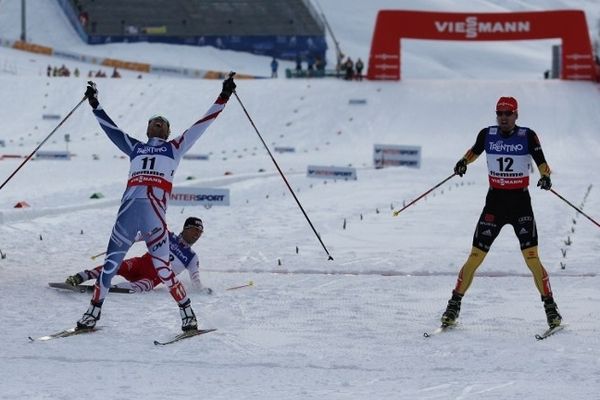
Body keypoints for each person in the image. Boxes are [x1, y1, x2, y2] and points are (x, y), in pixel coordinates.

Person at [76, 74, 236, 332]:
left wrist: (224, 97)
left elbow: (202, 124)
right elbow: (111, 129)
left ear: (168, 131)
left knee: (165, 271)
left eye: (162, 123)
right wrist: (95, 103)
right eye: (154, 122)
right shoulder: (135, 147)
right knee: (110, 266)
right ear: (147, 129)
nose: (158, 124)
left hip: (154, 220)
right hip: (126, 216)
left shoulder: (175, 148)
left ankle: (188, 315)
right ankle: (93, 313)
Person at [440, 96, 562, 329]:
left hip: (520, 204)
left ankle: (551, 309)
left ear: (516, 115)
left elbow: (541, 162)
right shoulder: (487, 134)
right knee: (475, 257)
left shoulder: (527, 135)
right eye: (500, 113)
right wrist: (463, 162)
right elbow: (474, 152)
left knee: (532, 259)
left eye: (508, 113)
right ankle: (453, 306)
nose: (504, 117)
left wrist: (545, 177)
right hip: (494, 203)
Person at [65, 217, 212, 295]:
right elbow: (142, 236)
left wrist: (203, 290)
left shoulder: (192, 258)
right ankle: (80, 277)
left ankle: (110, 288)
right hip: (141, 264)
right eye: (194, 230)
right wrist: (131, 239)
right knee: (115, 266)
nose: (196, 235)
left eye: (199, 233)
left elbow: (195, 280)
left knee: (140, 287)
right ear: (185, 229)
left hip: (152, 279)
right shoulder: (167, 235)